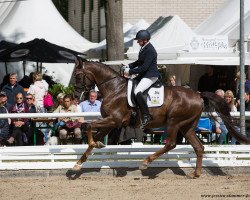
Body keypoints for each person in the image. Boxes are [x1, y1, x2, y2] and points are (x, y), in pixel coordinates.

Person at [123, 30, 160, 128]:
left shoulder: (150, 50)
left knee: (137, 91)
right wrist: (129, 65)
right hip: (144, 74)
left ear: (144, 40)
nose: (137, 42)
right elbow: (139, 61)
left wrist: (130, 71)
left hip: (150, 75)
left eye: (139, 40)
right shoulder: (144, 48)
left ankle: (146, 115)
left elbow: (144, 67)